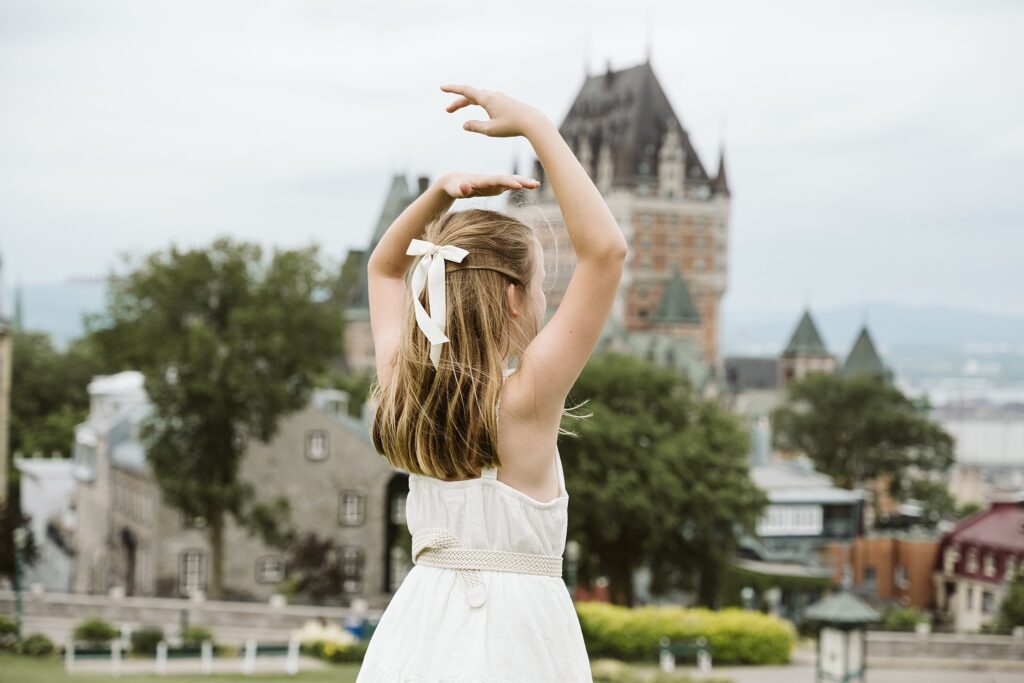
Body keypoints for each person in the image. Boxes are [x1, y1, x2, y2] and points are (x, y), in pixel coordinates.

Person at [357, 83, 627, 682]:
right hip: (520, 637)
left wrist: (435, 197)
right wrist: (537, 126)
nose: (544, 300)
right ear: (511, 297)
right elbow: (605, 253)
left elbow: (382, 267)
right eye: (538, 289)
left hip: (418, 630)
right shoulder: (527, 398)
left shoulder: (406, 386)